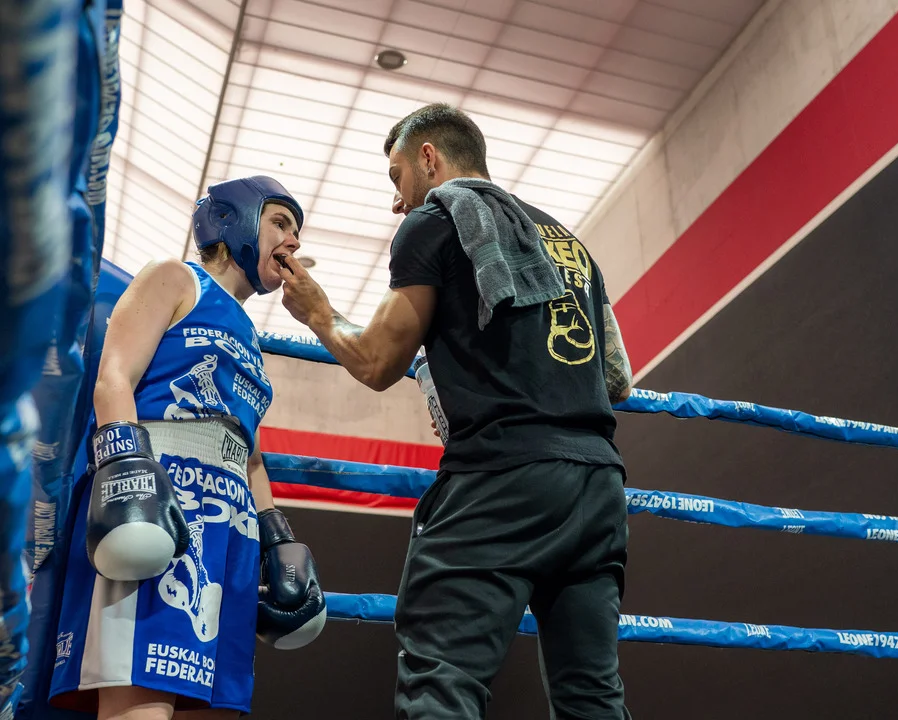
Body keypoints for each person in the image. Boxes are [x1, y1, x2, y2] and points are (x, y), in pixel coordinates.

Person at [280, 103, 634, 719]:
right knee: (592, 697)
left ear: (429, 158)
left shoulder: (437, 220)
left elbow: (377, 361)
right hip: (598, 488)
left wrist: (319, 312)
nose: (397, 202)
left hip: (503, 479)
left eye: (397, 178)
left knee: (440, 681)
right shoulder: (565, 240)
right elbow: (617, 379)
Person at [48, 176, 327, 720]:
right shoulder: (175, 278)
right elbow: (114, 378)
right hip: (161, 504)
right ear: (234, 219)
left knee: (211, 709)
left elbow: (247, 451)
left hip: (230, 526)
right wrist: (127, 473)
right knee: (141, 704)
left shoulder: (249, 338)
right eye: (280, 223)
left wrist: (277, 537)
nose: (294, 241)